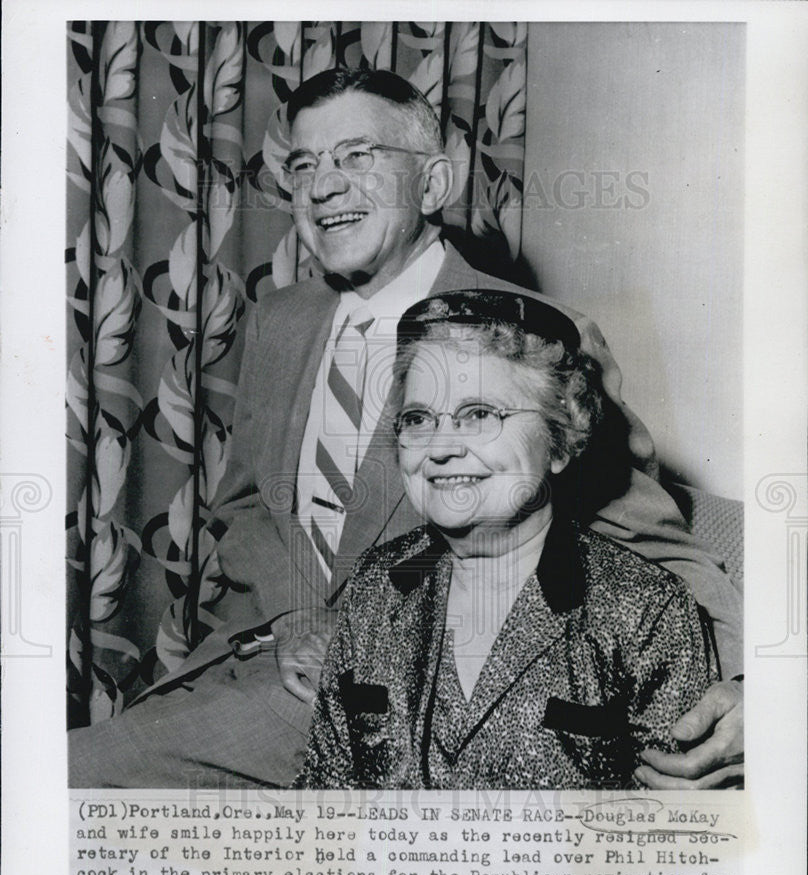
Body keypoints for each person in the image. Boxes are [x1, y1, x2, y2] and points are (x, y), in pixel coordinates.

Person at [69, 67, 742, 790]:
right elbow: (246, 504)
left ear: (433, 185)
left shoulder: (540, 336)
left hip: (397, 701)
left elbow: (651, 541)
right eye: (304, 164)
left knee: (66, 779)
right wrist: (299, 615)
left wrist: (746, 686)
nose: (322, 186)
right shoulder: (280, 319)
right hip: (248, 650)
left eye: (357, 156)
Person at [297, 291, 718, 789]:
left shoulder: (646, 610)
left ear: (559, 442)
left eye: (479, 414)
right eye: (418, 419)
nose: (442, 447)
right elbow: (323, 799)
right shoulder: (379, 581)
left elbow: (675, 841)